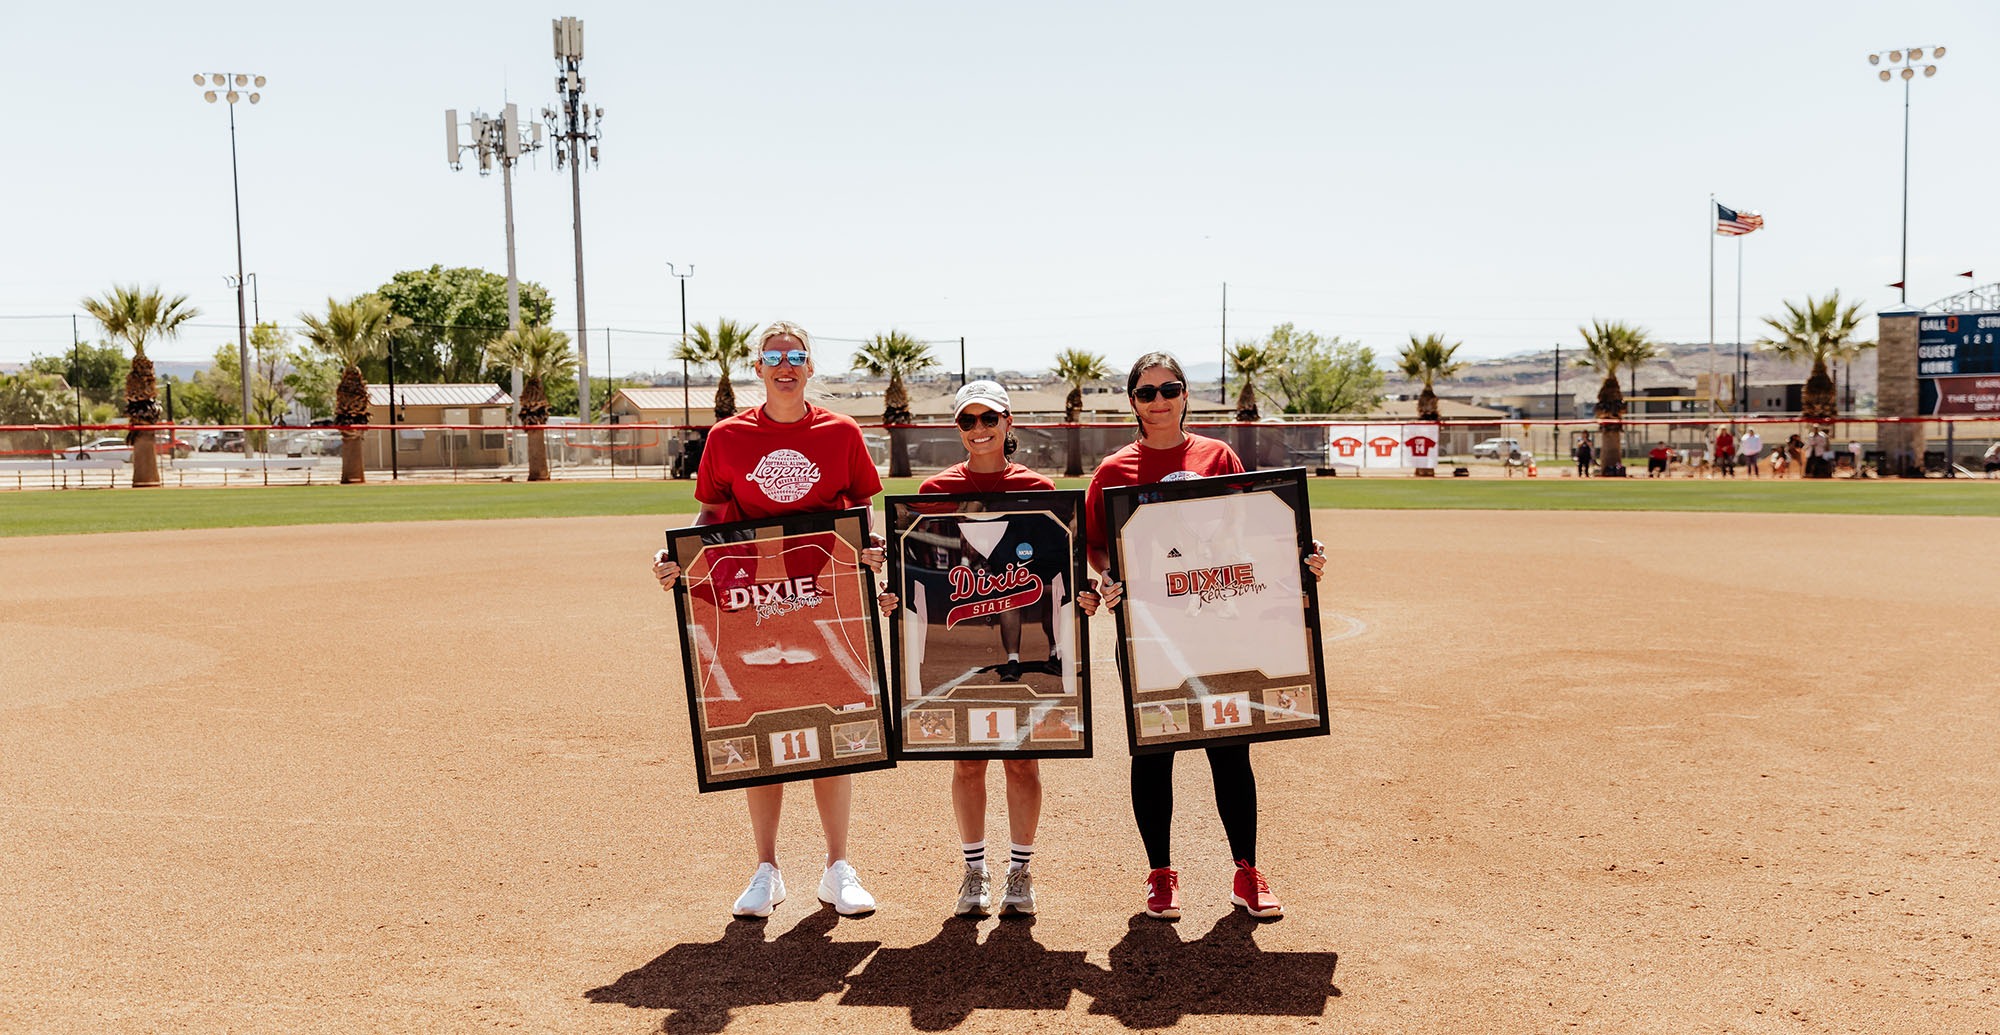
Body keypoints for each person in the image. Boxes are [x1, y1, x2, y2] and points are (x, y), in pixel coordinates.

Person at [649, 320, 886, 919]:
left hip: (824, 594)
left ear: (810, 366)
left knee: (829, 722)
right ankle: (767, 869)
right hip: (751, 597)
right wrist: (674, 556)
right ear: (758, 368)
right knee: (764, 724)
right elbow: (709, 514)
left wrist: (871, 544)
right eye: (774, 356)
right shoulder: (728, 436)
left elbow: (859, 509)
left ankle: (837, 867)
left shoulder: (841, 431)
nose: (786, 365)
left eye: (796, 356)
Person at [1086, 351, 1326, 922]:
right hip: (1151, 631)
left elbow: (1255, 525)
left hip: (1220, 618)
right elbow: (1096, 544)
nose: (1160, 400)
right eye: (1147, 392)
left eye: (1170, 388)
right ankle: (1161, 876)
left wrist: (1301, 560)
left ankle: (1246, 871)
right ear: (1132, 403)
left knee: (1229, 745)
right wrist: (1106, 578)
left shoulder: (1218, 455)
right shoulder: (1113, 471)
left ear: (1185, 394)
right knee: (1155, 749)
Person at [875, 380, 1104, 919]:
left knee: (1022, 763)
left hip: (1022, 636)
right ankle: (973, 870)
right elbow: (917, 571)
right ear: (958, 428)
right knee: (968, 762)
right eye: (968, 420)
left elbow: (1062, 570)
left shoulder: (1038, 489)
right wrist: (896, 599)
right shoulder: (933, 490)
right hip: (955, 648)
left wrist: (1083, 598)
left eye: (989, 418)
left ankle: (1019, 870)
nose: (979, 429)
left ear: (1008, 423)